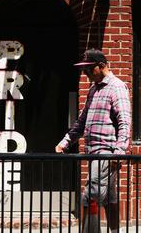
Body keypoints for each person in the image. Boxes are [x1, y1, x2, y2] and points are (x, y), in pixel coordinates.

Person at [55, 49, 131, 233]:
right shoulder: (93, 88)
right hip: (93, 152)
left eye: (89, 69)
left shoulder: (117, 87)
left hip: (105, 152)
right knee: (109, 197)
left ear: (102, 66)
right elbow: (81, 121)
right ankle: (114, 231)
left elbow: (124, 121)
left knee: (90, 196)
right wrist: (65, 142)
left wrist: (119, 152)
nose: (86, 73)